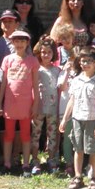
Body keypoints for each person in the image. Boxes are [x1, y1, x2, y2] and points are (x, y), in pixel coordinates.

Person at [60, 46, 95, 189]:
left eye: (88, 61)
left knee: (93, 150)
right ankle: (78, 177)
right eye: (83, 61)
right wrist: (65, 119)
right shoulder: (76, 81)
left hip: (92, 120)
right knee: (78, 149)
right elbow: (72, 101)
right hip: (77, 119)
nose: (85, 64)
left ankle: (94, 178)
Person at [0, 28, 40, 175]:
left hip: (26, 104)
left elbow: (35, 85)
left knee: (25, 135)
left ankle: (26, 164)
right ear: (12, 42)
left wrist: (35, 104)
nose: (19, 44)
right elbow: (3, 83)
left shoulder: (32, 61)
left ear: (27, 43)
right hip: (10, 103)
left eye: (22, 41)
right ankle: (7, 163)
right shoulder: (7, 60)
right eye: (16, 41)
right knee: (8, 135)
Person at [31, 36, 61, 173]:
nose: (46, 55)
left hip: (53, 108)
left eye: (49, 52)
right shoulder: (36, 69)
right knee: (35, 134)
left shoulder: (57, 70)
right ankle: (34, 159)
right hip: (38, 107)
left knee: (52, 135)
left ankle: (51, 159)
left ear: (53, 53)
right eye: (43, 52)